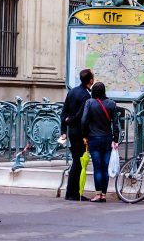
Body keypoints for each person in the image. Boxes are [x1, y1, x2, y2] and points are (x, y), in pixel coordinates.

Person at [81, 81, 120, 203]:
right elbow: (115, 124)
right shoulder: (111, 103)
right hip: (107, 139)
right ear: (104, 91)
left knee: (97, 168)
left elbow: (83, 121)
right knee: (105, 168)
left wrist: (85, 135)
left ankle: (98, 194)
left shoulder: (89, 102)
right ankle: (103, 194)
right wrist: (115, 139)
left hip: (93, 138)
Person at [60, 68, 94, 201]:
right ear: (91, 80)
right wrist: (70, 121)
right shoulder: (86, 96)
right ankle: (73, 193)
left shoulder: (72, 91)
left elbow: (64, 112)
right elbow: (81, 116)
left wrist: (64, 129)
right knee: (78, 163)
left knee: (76, 162)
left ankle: (71, 192)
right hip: (80, 133)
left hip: (72, 132)